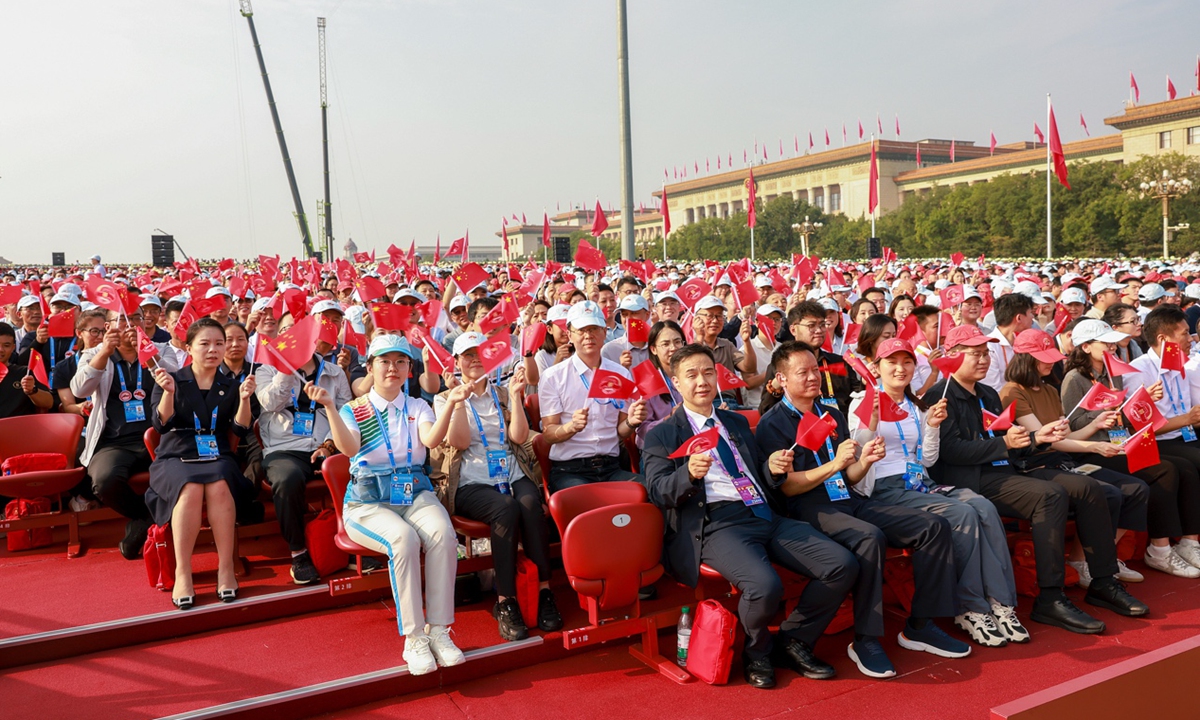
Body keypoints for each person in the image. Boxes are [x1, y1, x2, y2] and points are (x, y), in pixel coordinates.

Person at [643, 343, 858, 689]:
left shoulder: (735, 422)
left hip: (762, 510)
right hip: (717, 523)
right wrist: (689, 475)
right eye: (692, 375)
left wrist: (772, 468)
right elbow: (657, 491)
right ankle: (757, 653)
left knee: (841, 564)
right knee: (764, 585)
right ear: (676, 383)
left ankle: (794, 640)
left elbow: (758, 469)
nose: (702, 381)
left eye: (708, 372)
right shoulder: (663, 434)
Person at [756, 341, 967, 679]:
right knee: (870, 537)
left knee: (933, 526)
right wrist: (835, 465)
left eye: (815, 370)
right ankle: (867, 639)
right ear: (781, 379)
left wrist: (865, 461)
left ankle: (921, 624)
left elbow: (848, 476)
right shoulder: (773, 423)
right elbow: (788, 486)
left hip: (847, 499)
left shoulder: (831, 412)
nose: (812, 377)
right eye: (803, 372)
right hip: (807, 508)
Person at [922, 324, 1147, 635]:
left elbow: (1011, 441)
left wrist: (1037, 438)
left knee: (1089, 488)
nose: (983, 359)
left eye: (985, 353)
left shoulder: (987, 393)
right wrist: (1008, 444)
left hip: (1005, 468)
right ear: (952, 357)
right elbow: (950, 452)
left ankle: (1104, 581)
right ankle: (1051, 597)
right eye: (974, 354)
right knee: (1050, 495)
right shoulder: (939, 395)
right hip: (969, 478)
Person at [848, 338, 1026, 647]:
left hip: (919, 482)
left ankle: (1000, 601)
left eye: (906, 362)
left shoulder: (916, 404)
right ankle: (971, 606)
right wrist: (872, 423)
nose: (900, 368)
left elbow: (926, 460)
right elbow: (859, 459)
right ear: (876, 368)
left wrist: (930, 426)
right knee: (962, 513)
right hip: (884, 488)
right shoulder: (863, 401)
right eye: (892, 362)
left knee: (983, 506)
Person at [324, 334, 466, 675]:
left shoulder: (417, 406)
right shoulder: (354, 409)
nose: (393, 368)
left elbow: (432, 441)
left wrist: (452, 404)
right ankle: (414, 637)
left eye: (400, 362)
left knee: (444, 535)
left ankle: (440, 630)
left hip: (414, 494)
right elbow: (349, 448)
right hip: (367, 504)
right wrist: (330, 408)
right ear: (370, 367)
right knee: (404, 539)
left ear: (409, 368)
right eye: (384, 362)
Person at [433, 332, 562, 642]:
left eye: (481, 352)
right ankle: (506, 601)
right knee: (504, 509)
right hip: (471, 482)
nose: (475, 358)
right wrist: (460, 402)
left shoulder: (502, 393)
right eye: (468, 354)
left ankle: (544, 591)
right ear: (457, 362)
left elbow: (519, 437)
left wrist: (516, 397)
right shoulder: (444, 398)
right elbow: (460, 442)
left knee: (531, 505)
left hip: (511, 474)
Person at [998, 329, 1148, 589]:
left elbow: (1065, 434)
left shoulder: (1049, 390)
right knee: (1108, 493)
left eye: (1050, 356)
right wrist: (1094, 446)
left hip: (1062, 459)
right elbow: (1045, 439)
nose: (1050, 361)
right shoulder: (1013, 391)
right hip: (1036, 464)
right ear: (1024, 359)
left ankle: (1097, 558)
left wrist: (1095, 425)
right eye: (1042, 357)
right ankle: (1088, 562)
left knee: (1136, 489)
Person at [1061, 318, 1200, 579]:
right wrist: (1102, 415)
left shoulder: (1114, 375)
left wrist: (1141, 400)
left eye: (1114, 343)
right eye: (1106, 343)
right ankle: (1158, 549)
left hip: (1119, 443)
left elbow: (1126, 418)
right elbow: (1072, 423)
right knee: (1165, 470)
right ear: (1087, 347)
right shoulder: (1074, 378)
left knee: (1181, 467)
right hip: (1091, 450)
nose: (1113, 347)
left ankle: (1174, 545)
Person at [146, 318, 254, 609]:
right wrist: (168, 393)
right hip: (176, 454)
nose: (213, 349)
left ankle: (226, 568)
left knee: (220, 484)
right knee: (190, 487)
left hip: (216, 453)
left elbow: (241, 430)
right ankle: (183, 572)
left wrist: (245, 399)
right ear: (188, 347)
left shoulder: (230, 384)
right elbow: (160, 424)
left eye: (219, 343)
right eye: (205, 343)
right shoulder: (170, 378)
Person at [72, 307, 180, 558]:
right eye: (122, 320)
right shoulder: (93, 353)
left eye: (135, 319)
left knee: (182, 474)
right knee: (104, 480)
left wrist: (148, 355)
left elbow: (175, 378)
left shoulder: (161, 349)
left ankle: (147, 524)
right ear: (108, 326)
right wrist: (105, 352)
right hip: (115, 441)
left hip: (162, 436)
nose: (130, 325)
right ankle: (146, 517)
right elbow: (79, 389)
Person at [255, 330, 354, 584]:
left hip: (324, 445)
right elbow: (270, 403)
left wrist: (329, 445)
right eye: (287, 335)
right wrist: (287, 368)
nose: (294, 340)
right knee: (287, 480)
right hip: (284, 448)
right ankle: (298, 553)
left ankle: (356, 540)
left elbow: (346, 413)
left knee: (357, 469)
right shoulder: (266, 370)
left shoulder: (334, 372)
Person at [539, 301, 647, 492]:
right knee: (589, 502)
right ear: (570, 334)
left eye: (594, 329)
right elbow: (548, 434)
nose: (588, 336)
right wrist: (570, 427)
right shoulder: (553, 376)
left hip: (611, 468)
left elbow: (621, 431)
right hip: (570, 470)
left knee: (652, 490)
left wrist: (632, 421)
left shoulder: (620, 374)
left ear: (604, 332)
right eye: (581, 330)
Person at [1124, 305, 1200, 571]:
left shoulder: (1181, 364)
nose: (1191, 339)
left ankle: (1190, 542)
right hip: (1156, 441)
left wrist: (1190, 419)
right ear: (1163, 339)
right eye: (1185, 333)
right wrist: (1188, 419)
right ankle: (1179, 544)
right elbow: (1142, 428)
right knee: (1187, 466)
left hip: (1183, 435)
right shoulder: (1139, 370)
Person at [786, 301, 858, 415]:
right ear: (793, 330)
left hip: (840, 426)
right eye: (811, 326)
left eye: (822, 325)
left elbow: (857, 398)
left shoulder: (839, 362)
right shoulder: (784, 364)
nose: (819, 330)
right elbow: (767, 408)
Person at [636, 320, 685, 449]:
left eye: (677, 342)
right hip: (660, 449)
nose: (673, 348)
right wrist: (670, 418)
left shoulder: (692, 376)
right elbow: (643, 431)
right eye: (665, 344)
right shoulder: (647, 381)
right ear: (653, 349)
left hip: (692, 444)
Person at [982, 293, 1034, 393]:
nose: (1032, 317)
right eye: (1030, 313)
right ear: (1019, 318)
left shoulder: (1024, 343)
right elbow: (992, 389)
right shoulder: (989, 346)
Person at [0, 322, 53, 417]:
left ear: (13, 347)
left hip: (16, 429)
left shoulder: (25, 373)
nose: (1, 349)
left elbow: (49, 402)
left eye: (6, 345)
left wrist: (32, 391)